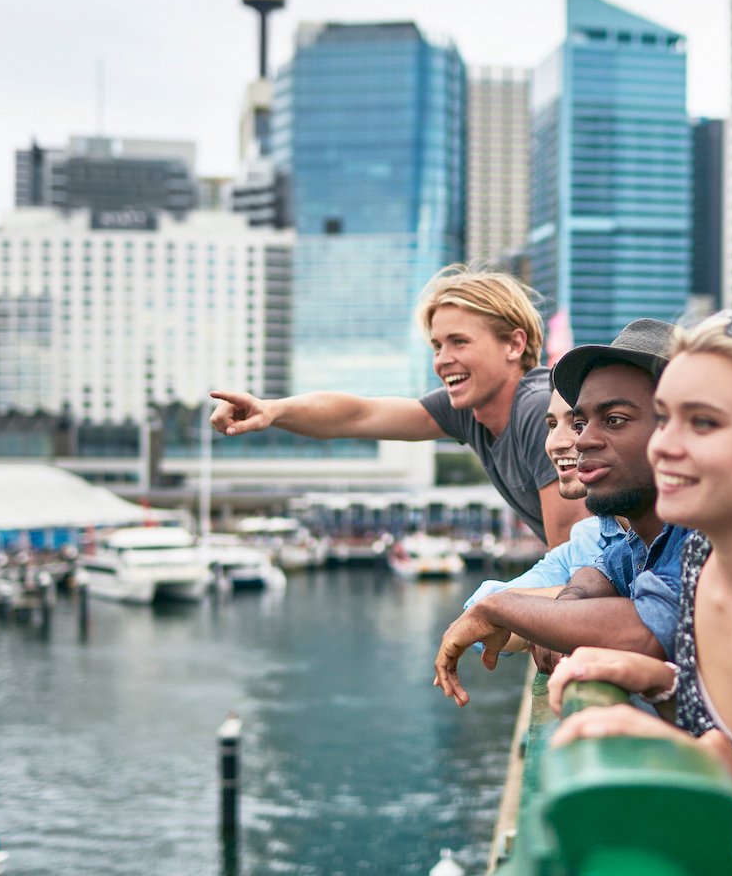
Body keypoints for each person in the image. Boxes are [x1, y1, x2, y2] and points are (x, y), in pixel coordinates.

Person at [548, 307, 732, 786]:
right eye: (667, 418)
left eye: (702, 422)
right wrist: (664, 686)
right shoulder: (705, 559)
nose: (663, 446)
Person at [209, 266, 588, 546]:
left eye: (459, 342)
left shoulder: (539, 412)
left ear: (514, 345)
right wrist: (272, 411)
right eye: (438, 346)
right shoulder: (468, 412)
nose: (442, 360)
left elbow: (575, 557)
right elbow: (358, 415)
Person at [434, 319, 693, 706]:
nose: (580, 440)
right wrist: (565, 610)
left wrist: (503, 608)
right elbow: (599, 575)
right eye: (581, 422)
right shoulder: (642, 541)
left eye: (614, 420)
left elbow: (647, 628)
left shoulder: (702, 533)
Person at [463, 388, 628, 611]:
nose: (555, 443)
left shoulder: (682, 534)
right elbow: (481, 608)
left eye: (578, 424)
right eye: (551, 425)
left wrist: (551, 613)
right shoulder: (587, 536)